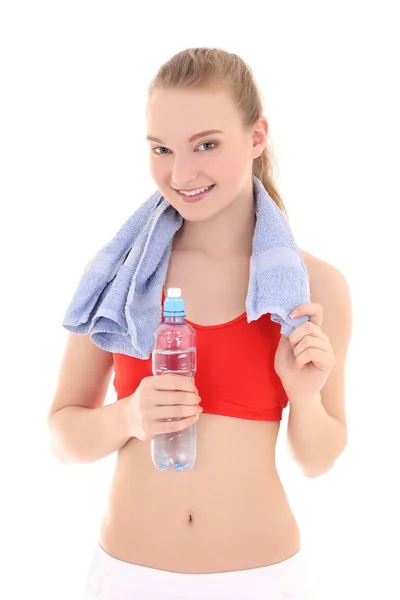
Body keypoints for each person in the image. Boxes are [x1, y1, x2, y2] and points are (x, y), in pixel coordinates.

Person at [47, 47, 352, 600]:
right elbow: (63, 437)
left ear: (257, 137)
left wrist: (304, 397)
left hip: (264, 580)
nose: (181, 173)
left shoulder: (313, 288)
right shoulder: (117, 276)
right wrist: (129, 416)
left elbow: (319, 459)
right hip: (126, 578)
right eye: (161, 149)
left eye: (206, 145)